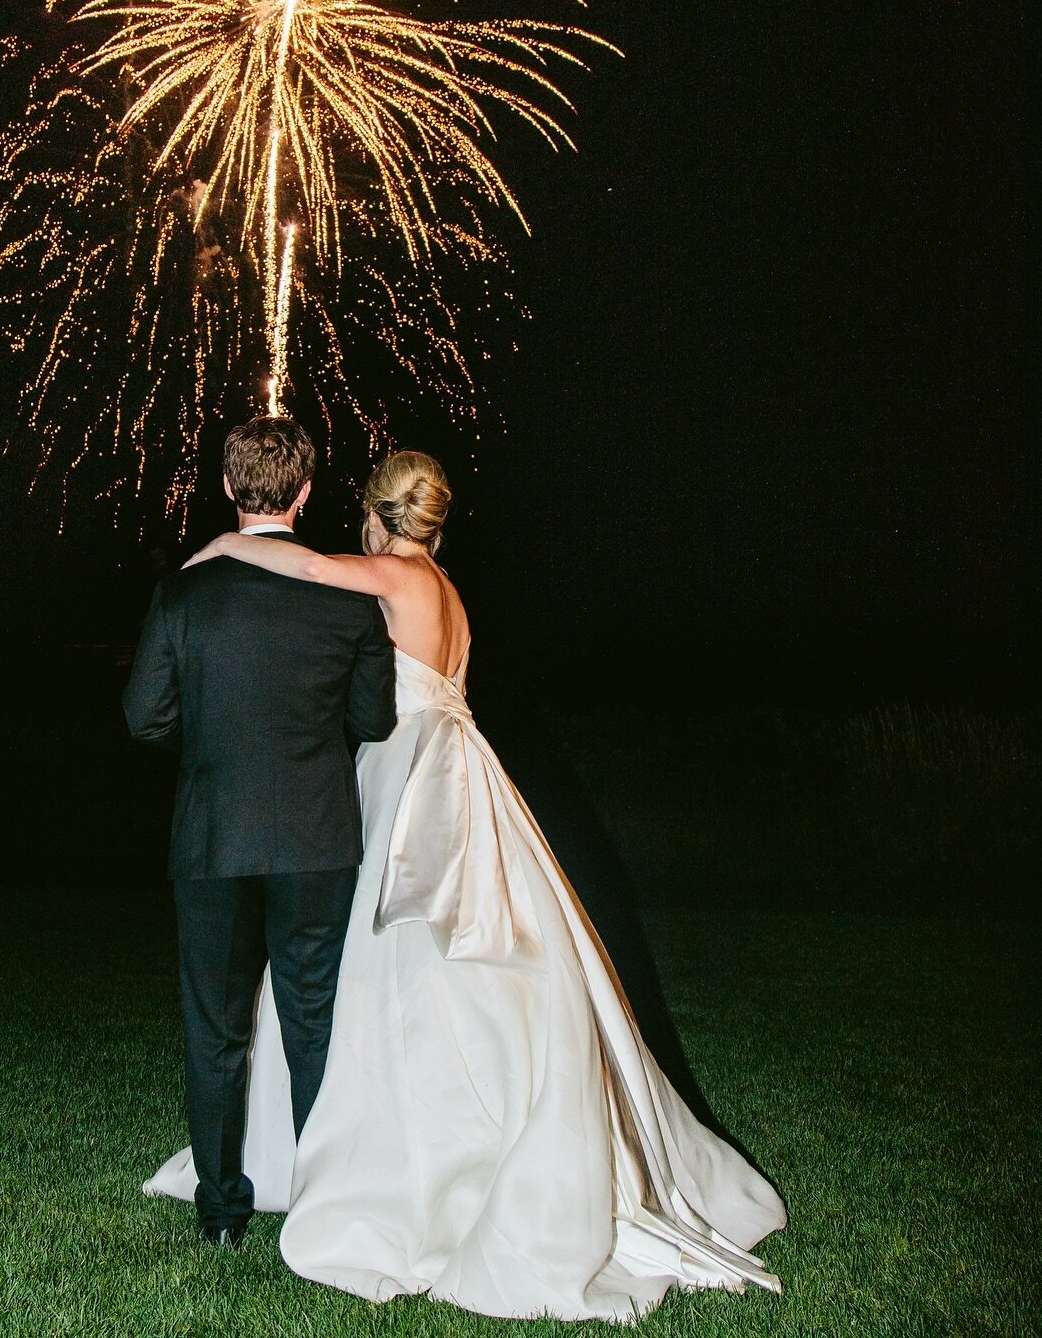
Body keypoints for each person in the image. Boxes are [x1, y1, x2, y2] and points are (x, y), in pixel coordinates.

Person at [144, 449, 787, 1321]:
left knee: (392, 954)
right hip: (462, 762)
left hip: (410, 772)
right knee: (459, 960)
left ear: (376, 514)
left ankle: (395, 1161)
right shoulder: (448, 589)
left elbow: (296, 560)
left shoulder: (389, 572)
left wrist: (219, 547)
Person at [122, 415, 396, 1249]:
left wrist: (209, 747)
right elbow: (375, 720)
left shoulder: (183, 593)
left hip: (212, 836)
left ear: (227, 488)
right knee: (312, 1022)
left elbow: (143, 719)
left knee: (215, 1027)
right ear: (306, 493)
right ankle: (318, 1207)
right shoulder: (349, 597)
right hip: (315, 837)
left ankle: (220, 1212)